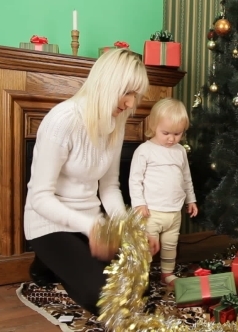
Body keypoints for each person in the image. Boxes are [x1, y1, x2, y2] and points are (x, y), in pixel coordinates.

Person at [24, 48, 159, 316]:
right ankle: (46, 261)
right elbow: (39, 197)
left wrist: (130, 229)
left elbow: (109, 188)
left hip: (91, 223)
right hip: (50, 222)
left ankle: (54, 263)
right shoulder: (63, 120)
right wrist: (92, 227)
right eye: (128, 93)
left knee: (139, 287)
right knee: (106, 299)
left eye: (136, 95)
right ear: (108, 83)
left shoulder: (115, 124)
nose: (132, 103)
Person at [129, 98, 198, 286]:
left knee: (170, 246)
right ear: (153, 125)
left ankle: (167, 274)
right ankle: (141, 276)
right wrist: (139, 204)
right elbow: (135, 180)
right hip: (151, 211)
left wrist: (191, 200)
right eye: (165, 133)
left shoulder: (180, 151)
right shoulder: (144, 150)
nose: (171, 138)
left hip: (174, 212)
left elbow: (186, 178)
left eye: (177, 134)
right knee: (146, 247)